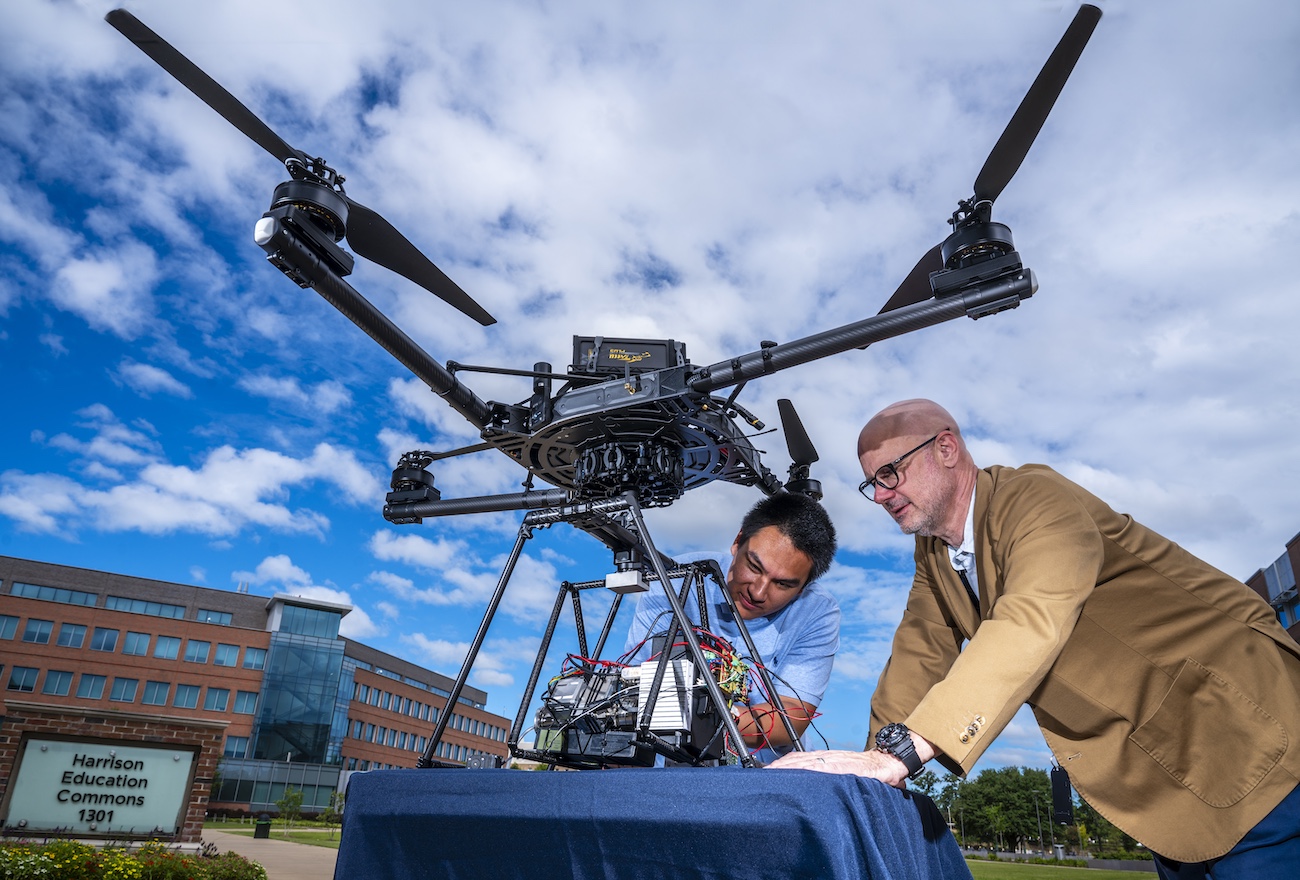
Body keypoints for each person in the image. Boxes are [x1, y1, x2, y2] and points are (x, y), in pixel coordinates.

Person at [771, 398, 1300, 877]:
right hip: (1171, 785)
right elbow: (917, 657)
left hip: (1244, 740)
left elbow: (1031, 618)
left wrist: (902, 754)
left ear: (947, 449)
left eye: (891, 472)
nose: (882, 495)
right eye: (873, 484)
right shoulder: (934, 555)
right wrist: (868, 774)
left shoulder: (1036, 497)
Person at [623, 492, 839, 762]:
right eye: (754, 566)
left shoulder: (818, 612)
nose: (759, 592)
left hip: (764, 774)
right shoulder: (673, 580)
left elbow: (791, 716)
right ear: (737, 542)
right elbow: (634, 688)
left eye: (783, 584)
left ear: (803, 588)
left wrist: (705, 721)